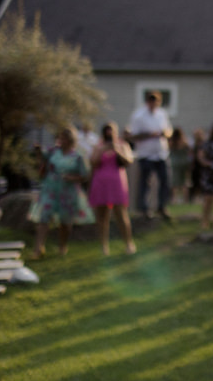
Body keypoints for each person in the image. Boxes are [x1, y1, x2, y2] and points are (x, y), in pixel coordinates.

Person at [29, 126, 93, 258]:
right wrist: (38, 150)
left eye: (64, 138)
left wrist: (71, 178)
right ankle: (38, 248)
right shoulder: (53, 151)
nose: (61, 140)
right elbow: (42, 157)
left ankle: (62, 246)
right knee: (44, 217)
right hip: (50, 189)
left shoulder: (78, 156)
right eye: (60, 137)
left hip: (68, 192)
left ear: (71, 140)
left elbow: (85, 175)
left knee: (65, 221)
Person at [88, 122, 137, 256]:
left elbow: (128, 161)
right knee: (102, 217)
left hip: (117, 183)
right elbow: (93, 163)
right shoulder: (98, 146)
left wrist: (117, 150)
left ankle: (129, 243)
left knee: (121, 214)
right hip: (100, 183)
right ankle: (104, 246)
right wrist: (102, 150)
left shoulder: (122, 145)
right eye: (106, 132)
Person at [126, 91, 173, 221]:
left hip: (161, 153)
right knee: (145, 182)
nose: (154, 104)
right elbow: (132, 136)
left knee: (165, 181)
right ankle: (144, 208)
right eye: (151, 101)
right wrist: (149, 135)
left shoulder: (162, 114)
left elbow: (169, 130)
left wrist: (165, 133)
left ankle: (162, 206)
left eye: (156, 101)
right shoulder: (138, 116)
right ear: (147, 102)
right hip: (145, 154)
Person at [168, 127, 192, 204]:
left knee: (175, 182)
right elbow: (189, 151)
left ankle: (174, 199)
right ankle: (186, 199)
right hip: (184, 162)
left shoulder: (172, 142)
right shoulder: (184, 141)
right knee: (184, 182)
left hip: (175, 163)